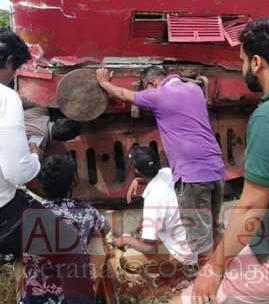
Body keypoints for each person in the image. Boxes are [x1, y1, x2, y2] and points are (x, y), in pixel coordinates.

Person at [176, 17, 269, 304]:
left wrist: (212, 269)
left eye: (243, 60)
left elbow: (249, 208)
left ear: (257, 62)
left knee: (189, 300)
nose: (242, 67)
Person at [95, 65, 225, 260]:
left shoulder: (157, 95)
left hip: (192, 176)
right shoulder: (194, 89)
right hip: (216, 168)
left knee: (200, 244)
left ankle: (206, 284)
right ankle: (224, 266)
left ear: (150, 84)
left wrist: (104, 82)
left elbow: (123, 93)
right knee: (213, 226)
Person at [20, 154, 110, 304]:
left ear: (41, 184)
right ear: (74, 182)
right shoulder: (88, 213)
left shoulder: (28, 215)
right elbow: (106, 230)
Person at [112, 145, 197, 275]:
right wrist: (138, 180)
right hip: (195, 242)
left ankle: (176, 270)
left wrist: (125, 240)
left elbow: (148, 247)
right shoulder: (168, 172)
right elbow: (158, 182)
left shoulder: (152, 200)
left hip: (183, 253)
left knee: (125, 259)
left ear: (137, 171)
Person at [0, 27, 43, 257]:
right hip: (3, 212)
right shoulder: (5, 98)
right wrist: (35, 156)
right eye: (14, 69)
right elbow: (17, 174)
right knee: (64, 240)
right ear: (8, 62)